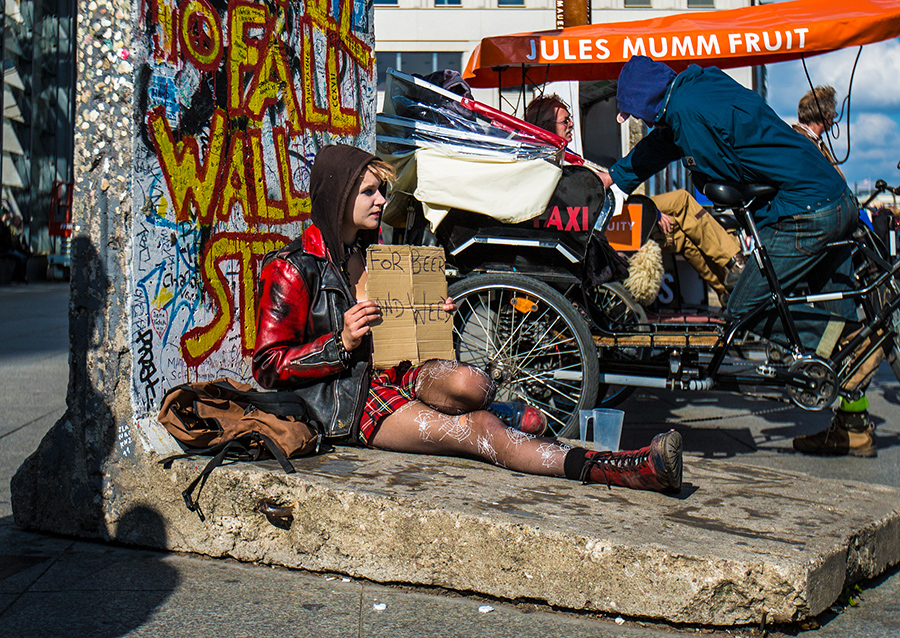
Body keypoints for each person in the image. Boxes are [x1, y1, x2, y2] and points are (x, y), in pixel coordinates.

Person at [252, 143, 683, 493]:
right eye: (369, 192)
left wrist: (430, 316)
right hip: (352, 398)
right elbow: (267, 366)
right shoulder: (292, 268)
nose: (381, 200)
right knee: (482, 432)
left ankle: (498, 411)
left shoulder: (370, 254)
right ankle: (619, 467)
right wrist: (340, 342)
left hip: (399, 371)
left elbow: (394, 332)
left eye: (380, 190)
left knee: (472, 383)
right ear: (338, 195)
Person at [600, 56, 877, 457]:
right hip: (833, 197)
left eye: (636, 113)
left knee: (746, 306)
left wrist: (705, 181)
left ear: (647, 102)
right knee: (835, 312)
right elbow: (665, 142)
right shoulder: (698, 87)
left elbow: (722, 177)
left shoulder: (686, 114)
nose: (639, 120)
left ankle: (854, 349)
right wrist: (616, 176)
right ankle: (854, 427)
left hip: (806, 211)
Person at [525, 94, 745, 304]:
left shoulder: (559, 156)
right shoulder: (549, 160)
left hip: (614, 214)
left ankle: (730, 294)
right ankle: (736, 262)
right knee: (682, 201)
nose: (571, 124)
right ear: (545, 125)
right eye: (565, 121)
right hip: (605, 222)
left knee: (682, 236)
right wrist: (653, 211)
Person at [789, 85, 881, 457]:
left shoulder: (806, 143)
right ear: (829, 118)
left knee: (849, 332)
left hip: (827, 247)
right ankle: (852, 426)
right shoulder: (805, 145)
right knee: (850, 333)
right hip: (823, 251)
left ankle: (853, 425)